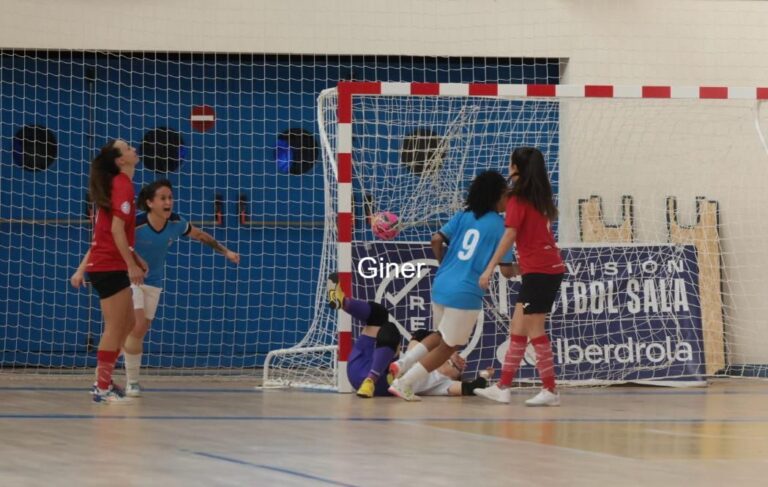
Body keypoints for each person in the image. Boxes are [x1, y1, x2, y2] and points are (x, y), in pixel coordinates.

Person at [387, 170, 516, 401]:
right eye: (506, 195)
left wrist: (443, 262)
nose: (509, 200)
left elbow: (436, 239)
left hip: (441, 283)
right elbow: (507, 270)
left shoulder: (464, 216)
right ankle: (404, 382)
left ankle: (403, 363)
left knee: (440, 335)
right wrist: (529, 268)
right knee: (448, 346)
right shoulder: (503, 227)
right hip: (465, 292)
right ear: (496, 196)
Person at [123, 179, 240, 396]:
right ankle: (132, 381)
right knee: (137, 326)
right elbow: (120, 243)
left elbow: (201, 236)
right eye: (163, 198)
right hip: (130, 278)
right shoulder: (136, 223)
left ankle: (120, 349)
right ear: (149, 203)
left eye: (170, 197)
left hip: (155, 281)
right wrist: (134, 262)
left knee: (140, 331)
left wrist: (226, 252)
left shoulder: (177, 223)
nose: (168, 202)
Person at [475, 147, 565, 407]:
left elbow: (510, 235)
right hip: (541, 270)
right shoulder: (539, 196)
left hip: (540, 272)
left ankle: (550, 390)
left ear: (517, 168)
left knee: (535, 330)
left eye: (511, 162)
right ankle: (503, 386)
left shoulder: (518, 198)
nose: (508, 165)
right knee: (517, 328)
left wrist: (490, 266)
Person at [326, 274, 489, 398]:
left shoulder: (441, 382)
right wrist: (450, 351)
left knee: (390, 329)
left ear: (456, 377)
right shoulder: (422, 359)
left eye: (455, 368)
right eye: (450, 361)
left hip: (380, 383)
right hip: (360, 363)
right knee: (380, 315)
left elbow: (470, 388)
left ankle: (371, 380)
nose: (453, 364)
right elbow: (420, 335)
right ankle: (344, 302)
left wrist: (485, 376)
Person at [70, 139, 143, 404]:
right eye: (127, 148)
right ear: (120, 160)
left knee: (129, 324)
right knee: (115, 327)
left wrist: (135, 258)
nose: (134, 149)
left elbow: (117, 233)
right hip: (108, 265)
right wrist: (132, 264)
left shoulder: (119, 185)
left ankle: (106, 380)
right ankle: (101, 386)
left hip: (112, 263)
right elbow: (114, 231)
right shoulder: (122, 184)